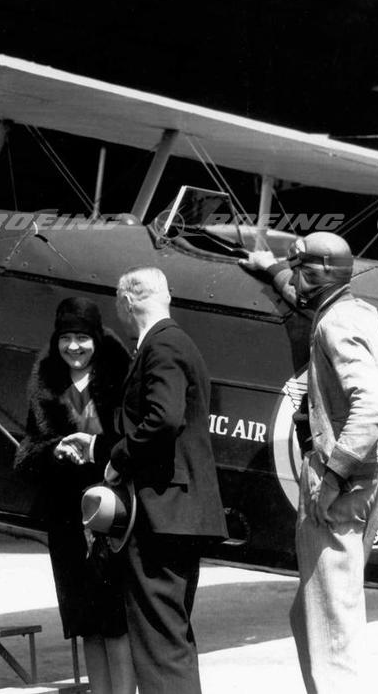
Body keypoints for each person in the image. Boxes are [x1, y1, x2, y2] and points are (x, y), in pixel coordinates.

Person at [240, 232, 378, 693]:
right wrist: (271, 268)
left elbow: (374, 407)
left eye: (300, 270)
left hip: (339, 488)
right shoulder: (353, 309)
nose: (296, 280)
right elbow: (304, 292)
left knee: (332, 631)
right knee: (310, 618)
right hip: (364, 488)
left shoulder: (334, 324)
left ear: (315, 275)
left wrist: (333, 474)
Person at [71, 267, 226, 694]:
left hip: (162, 515)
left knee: (159, 643)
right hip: (177, 513)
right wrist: (99, 447)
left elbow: (162, 420)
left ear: (126, 302)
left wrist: (117, 460)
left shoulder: (162, 345)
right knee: (169, 638)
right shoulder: (174, 342)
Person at [15, 297, 134, 694]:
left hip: (114, 512)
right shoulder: (45, 382)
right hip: (67, 516)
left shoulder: (120, 378)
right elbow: (28, 450)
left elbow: (133, 441)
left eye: (82, 338)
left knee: (116, 619)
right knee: (85, 621)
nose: (74, 347)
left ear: (97, 338)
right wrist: (55, 450)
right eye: (66, 338)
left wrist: (99, 450)